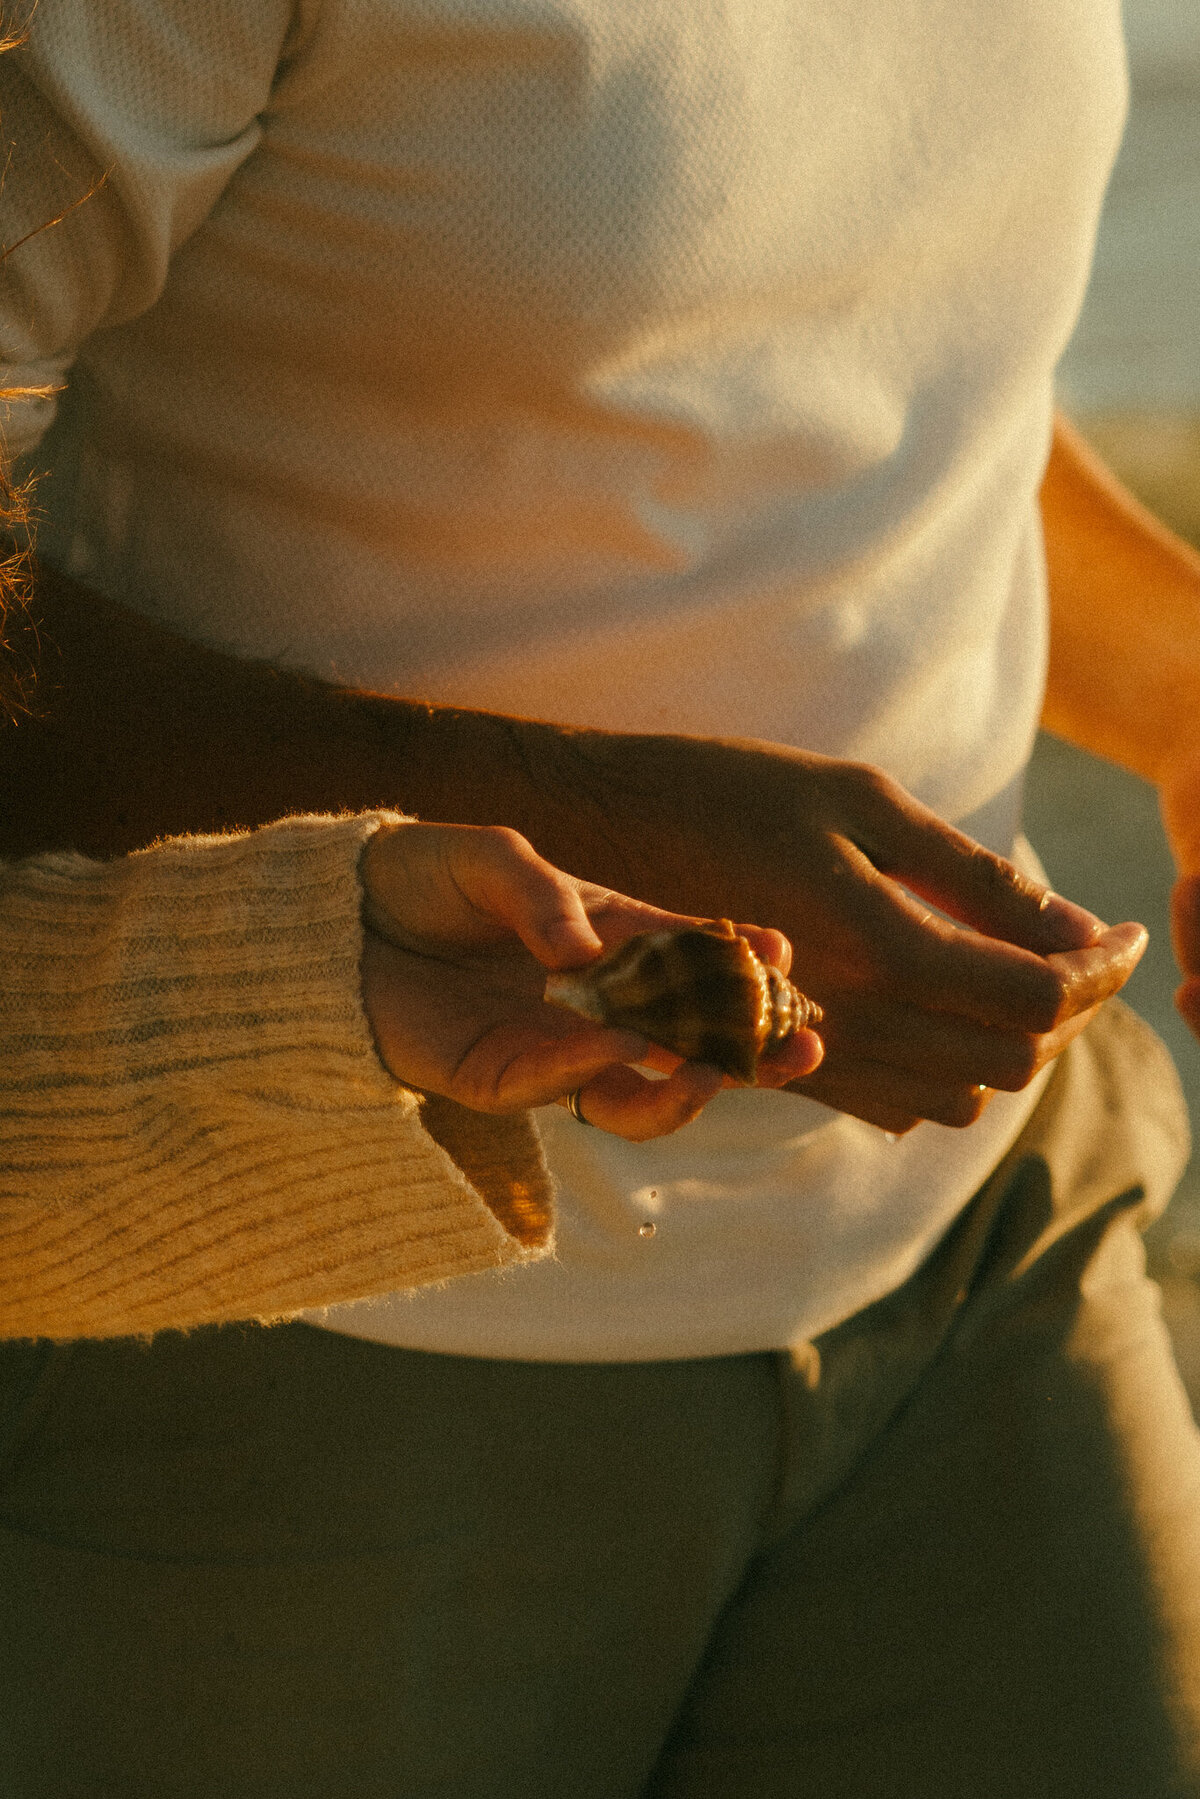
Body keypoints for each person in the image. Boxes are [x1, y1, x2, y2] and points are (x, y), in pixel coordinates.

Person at [2, 3, 1200, 1794]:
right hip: (319, 1338)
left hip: (987, 1244)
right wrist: (583, 809)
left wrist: (1183, 692)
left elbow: (868, 334)